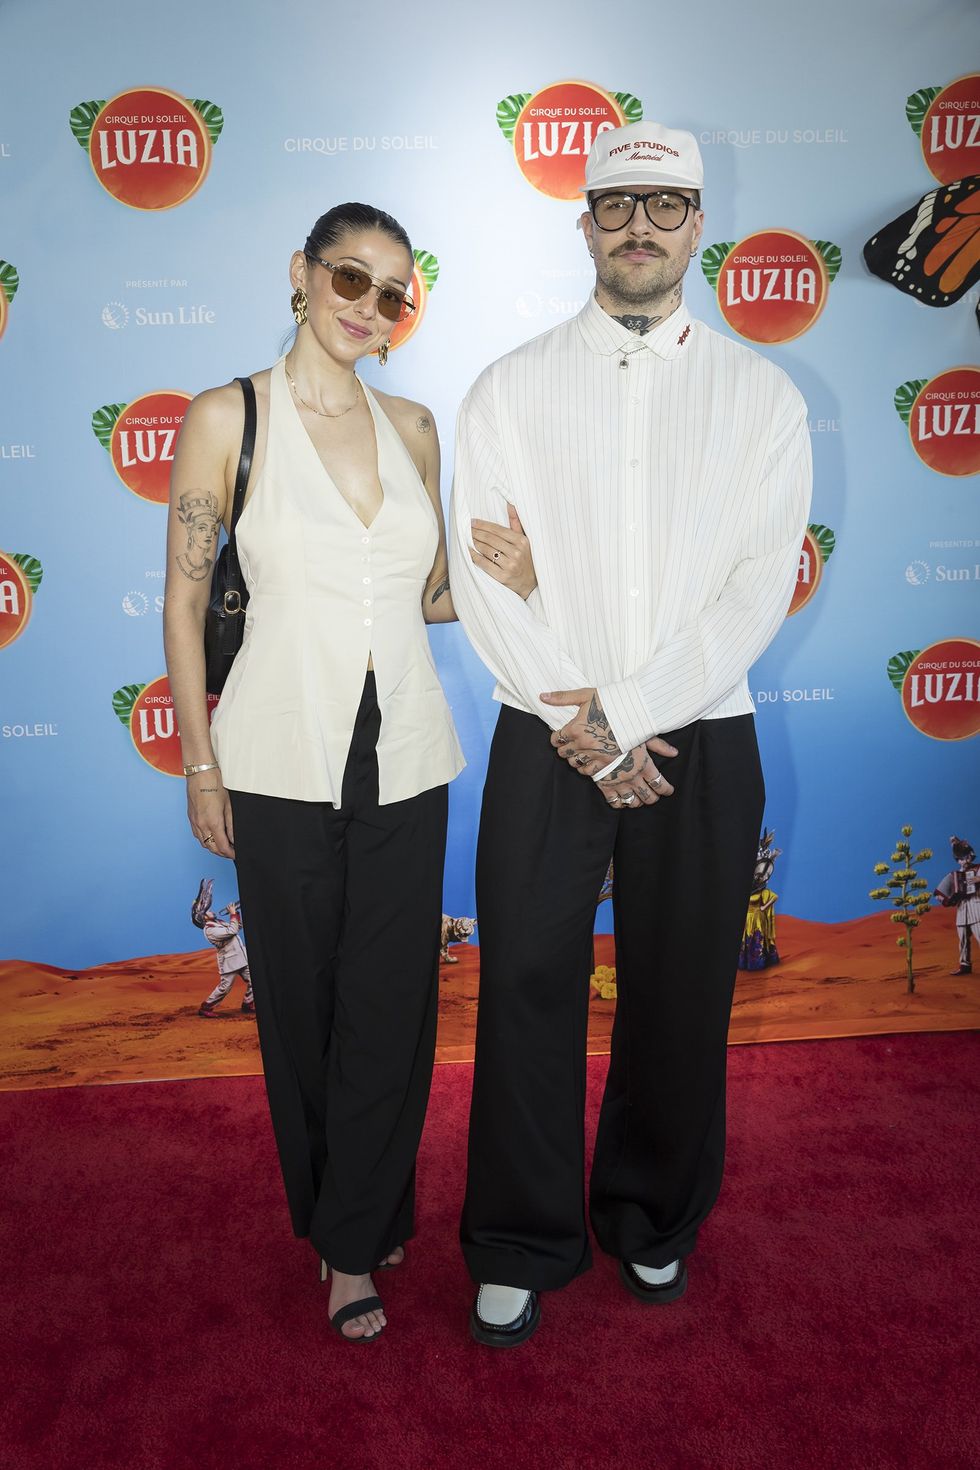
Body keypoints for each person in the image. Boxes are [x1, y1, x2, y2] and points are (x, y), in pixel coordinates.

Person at [449, 121, 812, 1346]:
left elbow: (759, 584)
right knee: (529, 989)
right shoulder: (507, 386)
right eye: (617, 206)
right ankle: (516, 1238)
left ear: (696, 225)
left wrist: (633, 714)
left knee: (679, 993)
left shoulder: (760, 396)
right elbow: (483, 575)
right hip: (543, 731)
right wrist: (584, 720)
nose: (640, 228)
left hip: (697, 732)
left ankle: (651, 1217)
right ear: (584, 223)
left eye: (665, 206)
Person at [163, 203, 536, 1343]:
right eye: (349, 280)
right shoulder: (230, 416)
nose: (369, 308)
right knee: (304, 1006)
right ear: (300, 274)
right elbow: (186, 599)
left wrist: (507, 574)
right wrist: (201, 766)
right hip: (275, 755)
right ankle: (340, 1216)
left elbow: (422, 597)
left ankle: (353, 1234)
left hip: (406, 752)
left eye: (392, 295)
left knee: (390, 1004)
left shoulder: (416, 426)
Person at [197, 900, 255, 1016]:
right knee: (225, 987)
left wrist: (236, 914)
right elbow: (232, 931)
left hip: (241, 958)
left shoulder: (219, 923)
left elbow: (237, 927)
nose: (212, 911)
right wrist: (232, 914)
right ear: (204, 918)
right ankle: (206, 1007)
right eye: (208, 912)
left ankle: (248, 1003)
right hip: (230, 961)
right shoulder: (210, 930)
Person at [934, 836, 980, 975]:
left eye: (967, 857)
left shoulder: (978, 869)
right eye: (961, 858)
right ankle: (964, 964)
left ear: (971, 856)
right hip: (961, 909)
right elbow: (939, 892)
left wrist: (978, 879)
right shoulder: (954, 875)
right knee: (963, 939)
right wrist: (943, 899)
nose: (964, 861)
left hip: (976, 906)